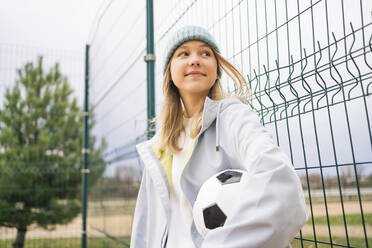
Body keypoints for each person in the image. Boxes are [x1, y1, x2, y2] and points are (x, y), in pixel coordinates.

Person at [130, 25, 308, 248]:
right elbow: (145, 230)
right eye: (183, 53)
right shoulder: (159, 147)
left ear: (216, 70)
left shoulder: (234, 118)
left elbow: (281, 185)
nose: (195, 60)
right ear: (170, 73)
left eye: (205, 53)